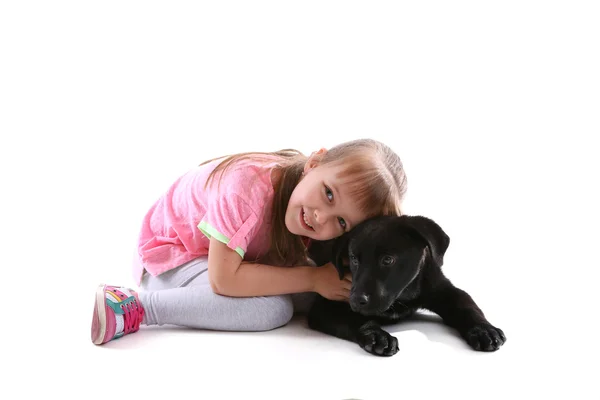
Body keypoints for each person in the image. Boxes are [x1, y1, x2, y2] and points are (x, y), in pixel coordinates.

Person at [91, 138, 408, 345]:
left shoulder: (301, 201)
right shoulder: (248, 188)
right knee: (272, 310)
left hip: (225, 259)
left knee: (318, 296)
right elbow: (224, 279)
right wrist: (312, 277)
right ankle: (134, 306)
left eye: (341, 221)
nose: (320, 217)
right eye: (328, 194)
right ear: (315, 162)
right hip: (168, 259)